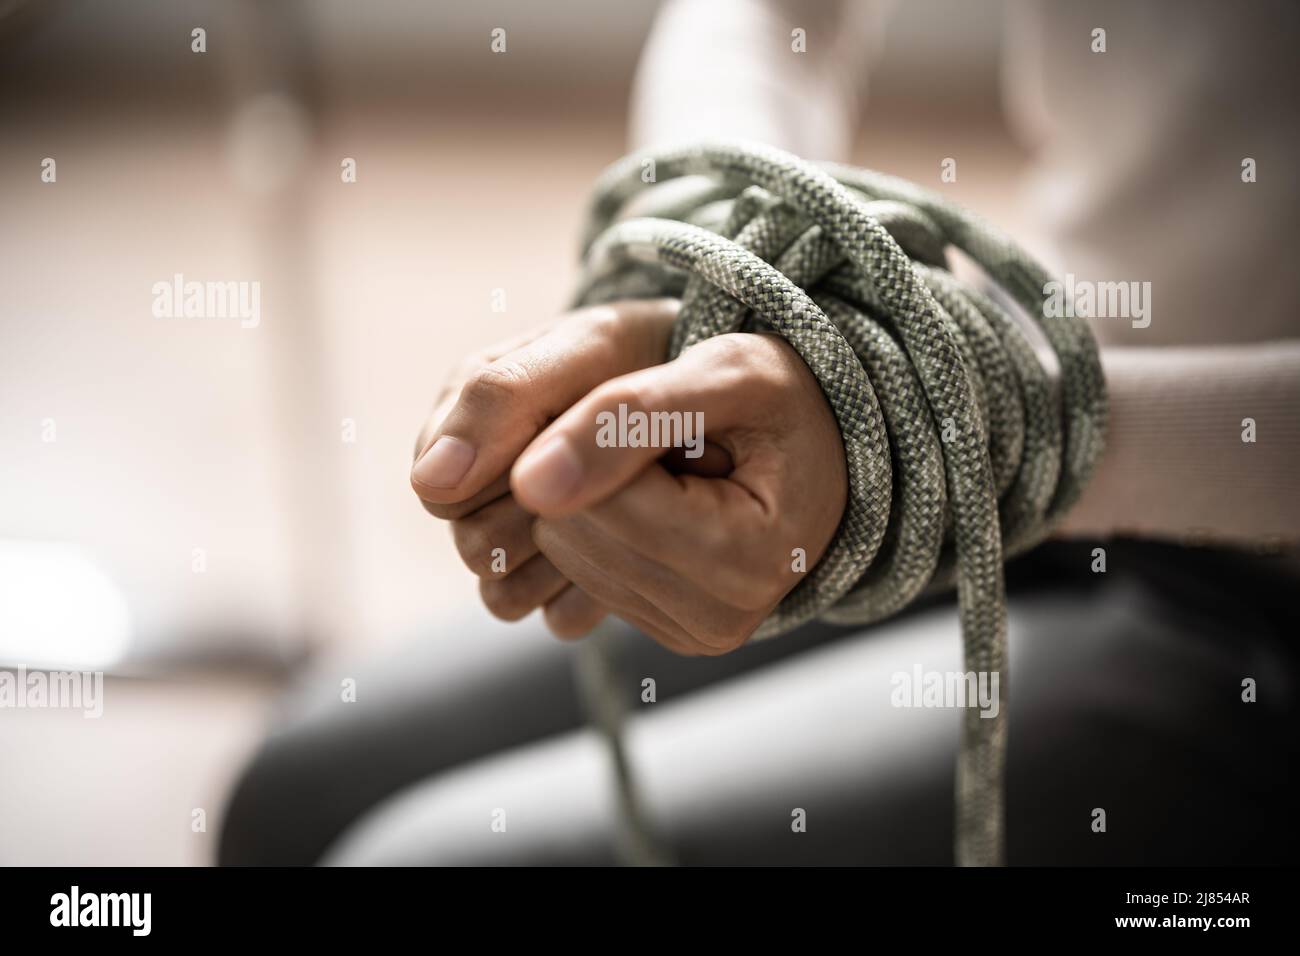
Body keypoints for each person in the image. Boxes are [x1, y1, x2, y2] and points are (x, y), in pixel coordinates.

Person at [219, 0, 1300, 866]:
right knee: (292, 792)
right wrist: (731, 297)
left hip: (1250, 567)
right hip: (1017, 397)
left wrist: (970, 420)